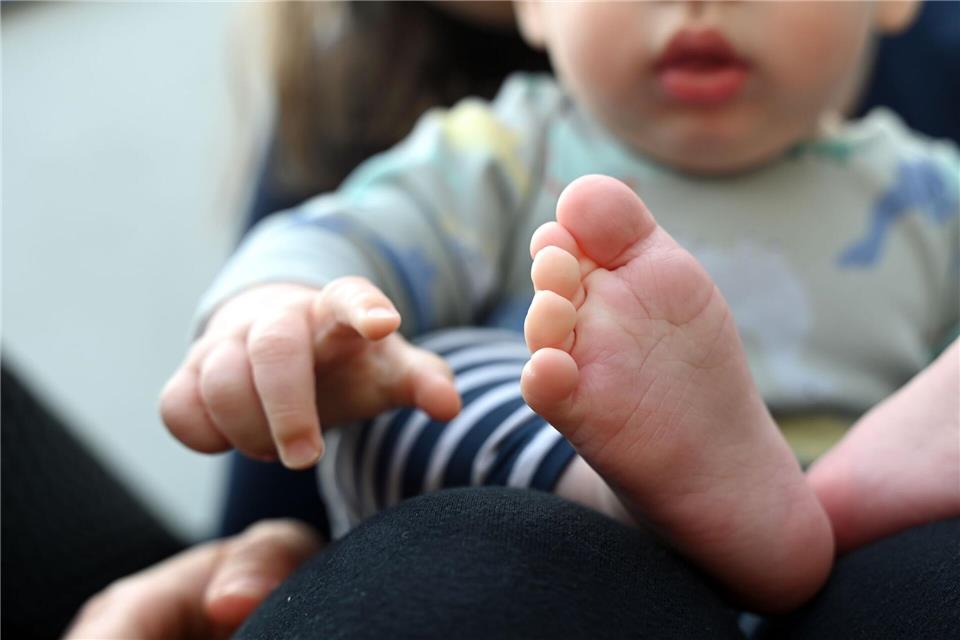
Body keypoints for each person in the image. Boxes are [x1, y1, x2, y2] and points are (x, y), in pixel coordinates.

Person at [159, 0, 959, 615]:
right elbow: (337, 236)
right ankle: (638, 495)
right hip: (561, 503)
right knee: (418, 378)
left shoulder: (936, 193)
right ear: (533, 4)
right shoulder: (503, 154)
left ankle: (823, 496)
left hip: (850, 563)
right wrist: (277, 308)